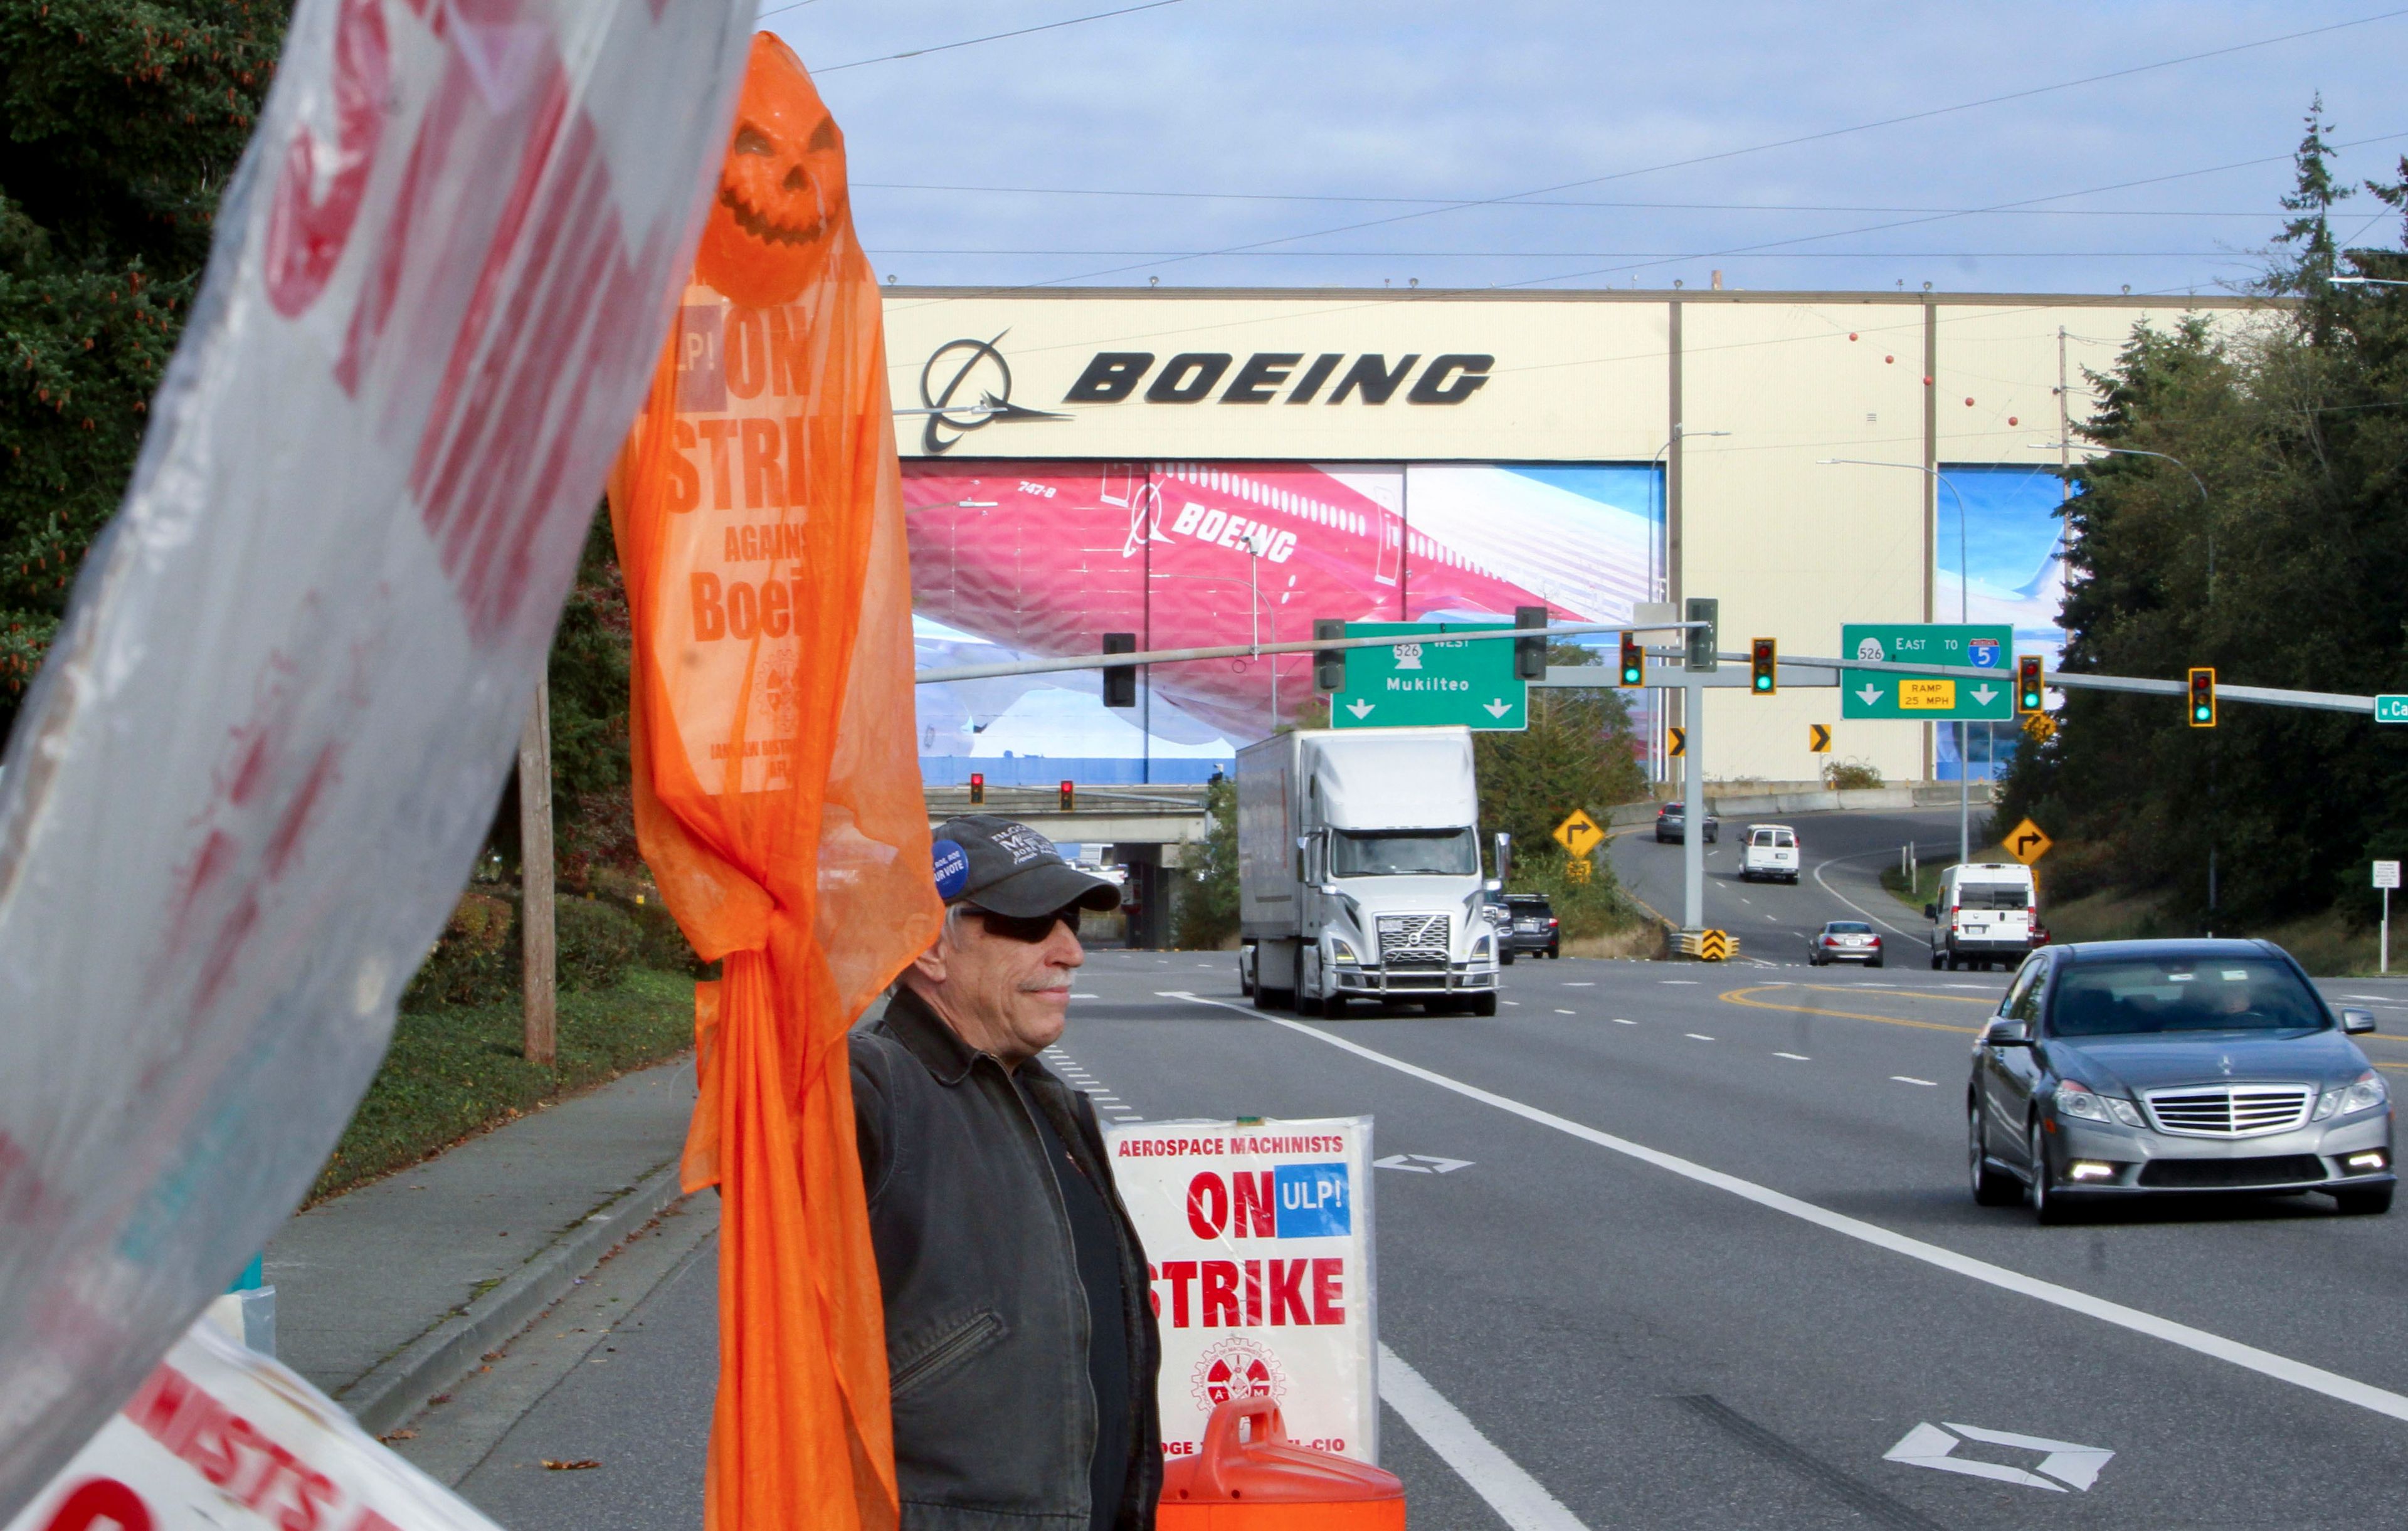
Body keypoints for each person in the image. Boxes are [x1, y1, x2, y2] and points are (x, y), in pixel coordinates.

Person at [850, 815, 1162, 1530]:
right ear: (931, 947)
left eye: (1071, 921)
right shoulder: (872, 1083)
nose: (1071, 952)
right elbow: (778, 1135)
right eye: (1032, 925)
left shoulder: (1044, 1096)